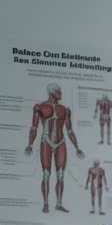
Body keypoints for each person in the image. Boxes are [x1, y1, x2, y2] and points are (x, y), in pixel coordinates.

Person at [25, 83, 85, 214]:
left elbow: (70, 130)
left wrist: (77, 148)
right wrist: (30, 144)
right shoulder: (40, 107)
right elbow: (34, 127)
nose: (61, 93)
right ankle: (46, 204)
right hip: (46, 141)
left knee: (61, 175)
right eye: (58, 91)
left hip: (60, 142)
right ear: (52, 92)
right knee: (46, 174)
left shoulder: (65, 109)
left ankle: (58, 204)